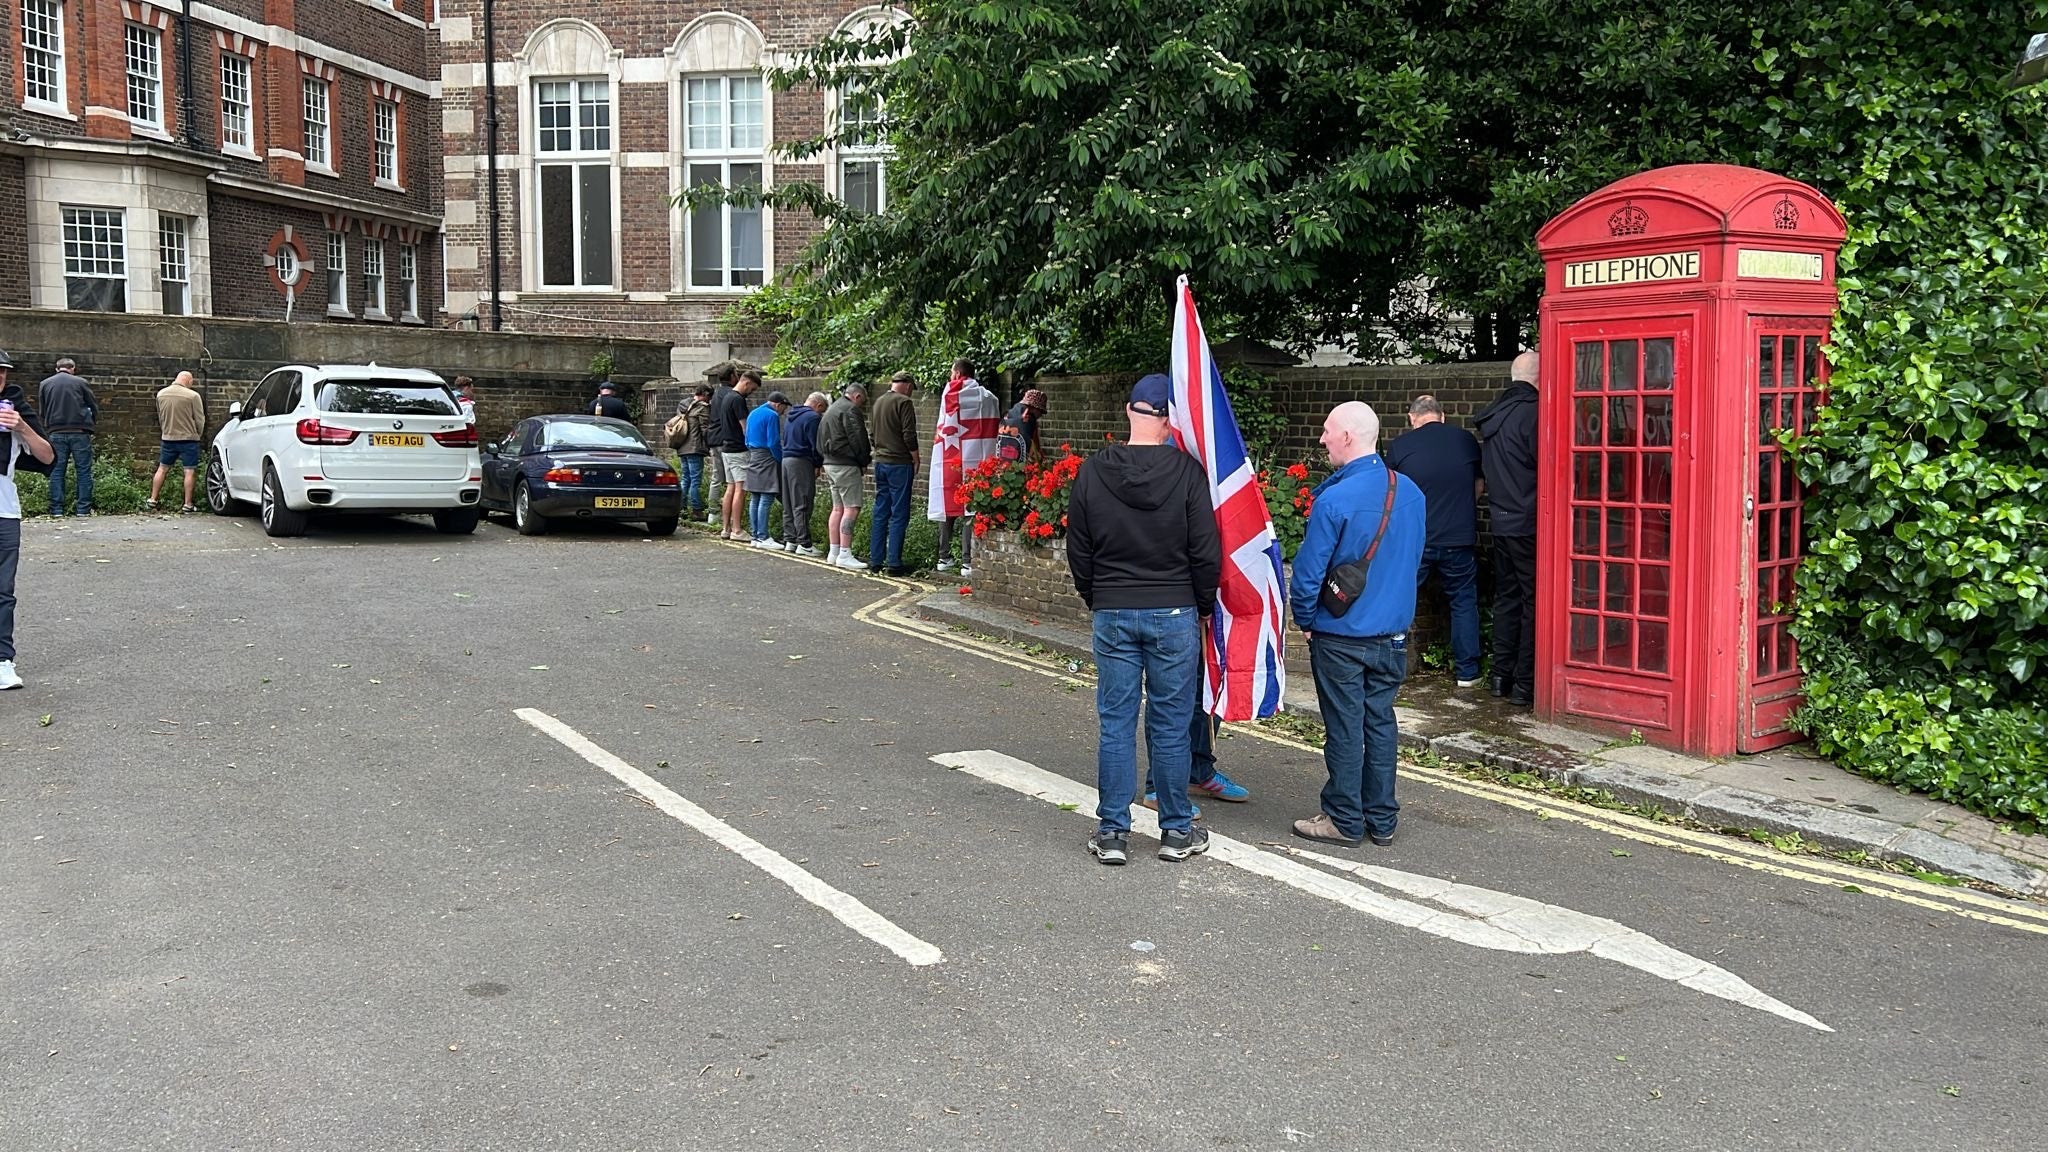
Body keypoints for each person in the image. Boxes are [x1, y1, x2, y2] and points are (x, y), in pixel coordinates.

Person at [1066, 374, 1222, 865]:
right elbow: (1205, 553)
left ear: (1129, 412)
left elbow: (1079, 550)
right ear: (1170, 419)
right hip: (1174, 610)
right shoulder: (1189, 474)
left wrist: (1099, 597)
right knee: (1171, 726)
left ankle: (1113, 833)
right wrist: (1200, 605)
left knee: (1116, 724)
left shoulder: (1093, 471)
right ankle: (1176, 832)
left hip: (1113, 608)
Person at [1288, 402, 1426, 849]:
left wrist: (1306, 620)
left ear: (1347, 436)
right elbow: (1412, 563)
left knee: (1345, 727)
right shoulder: (1411, 493)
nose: (1322, 439)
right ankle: (1382, 820)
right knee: (1380, 724)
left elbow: (1308, 575)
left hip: (1342, 635)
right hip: (1392, 636)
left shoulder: (1335, 499)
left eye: (1328, 431)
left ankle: (1344, 819)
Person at [1385, 393, 1484, 688]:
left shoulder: (1401, 445)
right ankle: (1468, 673)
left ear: (1412, 418)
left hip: (1417, 541)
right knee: (1464, 602)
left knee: (1400, 599)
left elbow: (1391, 495)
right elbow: (1478, 486)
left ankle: (1392, 667)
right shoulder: (1465, 440)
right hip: (1459, 538)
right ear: (1441, 416)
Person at [1475, 350, 1540, 706]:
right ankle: (1525, 684)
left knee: (1507, 599)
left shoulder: (1495, 416)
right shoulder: (1534, 413)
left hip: (1500, 521)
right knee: (1534, 602)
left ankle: (1501, 676)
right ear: (1540, 377)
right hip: (1530, 522)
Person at [1, 348, 57, 690]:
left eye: (4, 373)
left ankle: (3, 660)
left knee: (3, 590)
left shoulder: (13, 409)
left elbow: (48, 456)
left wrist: (21, 426)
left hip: (4, 510)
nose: (1, 379)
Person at [928, 359, 1001, 575]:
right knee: (971, 509)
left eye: (952, 373)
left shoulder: (947, 394)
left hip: (949, 459)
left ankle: (944, 558)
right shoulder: (985, 396)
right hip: (974, 461)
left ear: (958, 374)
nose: (950, 378)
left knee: (948, 504)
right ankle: (968, 562)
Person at [867, 370, 920, 576]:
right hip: (899, 463)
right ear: (907, 385)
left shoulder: (878, 402)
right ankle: (894, 563)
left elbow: (872, 434)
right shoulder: (904, 403)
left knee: (881, 511)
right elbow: (909, 434)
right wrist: (915, 458)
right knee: (899, 513)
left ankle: (875, 560)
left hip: (880, 462)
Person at [820, 382, 872, 569]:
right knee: (852, 507)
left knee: (837, 508)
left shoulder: (831, 409)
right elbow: (858, 438)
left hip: (829, 463)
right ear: (857, 396)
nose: (861, 406)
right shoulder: (850, 410)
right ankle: (845, 553)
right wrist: (864, 461)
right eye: (862, 402)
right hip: (846, 464)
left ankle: (833, 552)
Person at [38, 357, 97, 517]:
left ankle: (57, 510)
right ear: (73, 368)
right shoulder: (81, 383)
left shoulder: (45, 384)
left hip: (56, 431)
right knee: (83, 470)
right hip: (79, 431)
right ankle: (83, 509)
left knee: (57, 471)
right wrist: (90, 423)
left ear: (57, 369)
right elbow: (92, 405)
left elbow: (42, 411)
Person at [147, 371, 206, 513]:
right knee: (189, 471)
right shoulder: (193, 396)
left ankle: (153, 499)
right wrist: (198, 434)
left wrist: (166, 431)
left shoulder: (161, 394)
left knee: (162, 468)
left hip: (168, 438)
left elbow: (161, 417)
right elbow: (200, 419)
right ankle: (188, 504)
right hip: (189, 439)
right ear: (189, 381)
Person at [712, 366, 759, 540]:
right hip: (738, 450)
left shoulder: (725, 397)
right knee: (741, 489)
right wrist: (754, 445)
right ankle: (737, 530)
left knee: (730, 488)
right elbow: (745, 428)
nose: (751, 393)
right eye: (752, 388)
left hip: (726, 449)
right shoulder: (738, 399)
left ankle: (726, 528)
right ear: (746, 382)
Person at [782, 392, 827, 556]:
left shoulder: (791, 415)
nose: (821, 414)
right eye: (822, 411)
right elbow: (815, 444)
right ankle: (804, 543)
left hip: (786, 459)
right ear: (819, 405)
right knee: (803, 501)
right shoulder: (813, 418)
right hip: (801, 461)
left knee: (789, 502)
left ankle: (790, 539)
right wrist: (817, 463)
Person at [744, 390, 790, 547]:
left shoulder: (753, 413)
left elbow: (747, 438)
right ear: (778, 405)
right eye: (784, 408)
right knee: (767, 496)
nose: (784, 412)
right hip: (767, 456)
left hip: (753, 455)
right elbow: (773, 442)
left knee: (755, 497)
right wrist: (781, 459)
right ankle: (763, 537)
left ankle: (755, 536)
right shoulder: (772, 415)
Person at [671, 383, 714, 520]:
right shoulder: (702, 408)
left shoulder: (683, 405)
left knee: (685, 479)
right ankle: (696, 510)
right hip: (694, 448)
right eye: (709, 397)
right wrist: (711, 444)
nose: (710, 400)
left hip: (682, 446)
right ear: (706, 394)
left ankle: (681, 509)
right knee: (695, 481)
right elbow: (705, 430)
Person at [994, 388, 1049, 465]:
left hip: (1002, 465)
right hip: (1021, 468)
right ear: (1034, 408)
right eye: (1041, 411)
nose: (1040, 415)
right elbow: (1036, 450)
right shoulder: (1029, 420)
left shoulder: (1007, 416)